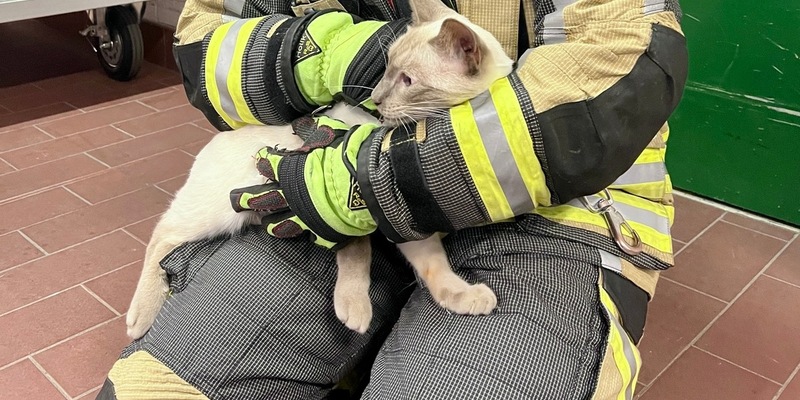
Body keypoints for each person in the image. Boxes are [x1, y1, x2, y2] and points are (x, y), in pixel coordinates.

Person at [97, 0, 687, 398]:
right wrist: (321, 55)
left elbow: (617, 70)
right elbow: (207, 52)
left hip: (553, 208)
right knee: (163, 383)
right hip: (330, 183)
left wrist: (379, 180)